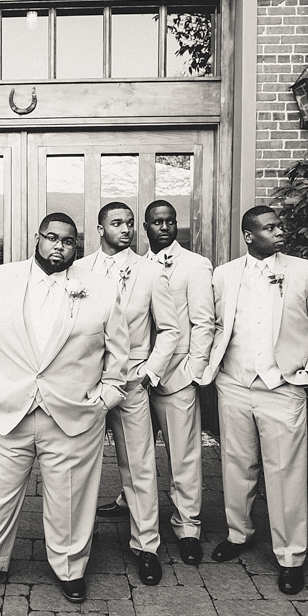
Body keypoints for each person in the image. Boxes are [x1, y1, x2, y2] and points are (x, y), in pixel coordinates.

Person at [0, 212, 128, 604]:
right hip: (6, 411)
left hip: (74, 415)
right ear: (37, 238)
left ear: (77, 246)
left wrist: (103, 400)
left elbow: (118, 356)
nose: (59, 246)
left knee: (72, 498)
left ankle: (70, 568)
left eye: (68, 241)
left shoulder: (101, 288)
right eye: (52, 238)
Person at [201, 205, 308, 595]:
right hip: (233, 383)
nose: (280, 231)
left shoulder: (306, 271)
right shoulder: (224, 275)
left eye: (281, 225)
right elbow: (214, 325)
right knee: (236, 463)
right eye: (270, 227)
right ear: (249, 235)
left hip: (282, 386)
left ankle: (291, 555)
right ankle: (238, 532)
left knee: (285, 472)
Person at [99, 200, 216, 566]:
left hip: (175, 374)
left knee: (183, 455)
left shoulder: (195, 265)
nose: (163, 228)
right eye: (156, 223)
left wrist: (193, 372)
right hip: (129, 377)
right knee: (138, 452)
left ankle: (188, 527)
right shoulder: (135, 265)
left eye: (170, 222)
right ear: (147, 228)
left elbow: (202, 322)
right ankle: (131, 504)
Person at [77, 202, 178, 585]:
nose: (126, 229)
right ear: (99, 228)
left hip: (133, 381)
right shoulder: (79, 269)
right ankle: (80, 544)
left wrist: (150, 372)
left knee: (139, 465)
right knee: (79, 466)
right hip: (86, 382)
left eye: (130, 223)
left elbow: (169, 329)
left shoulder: (151, 271)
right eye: (117, 223)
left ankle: (147, 546)